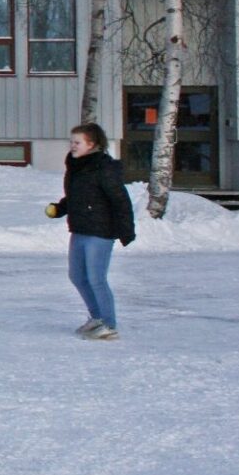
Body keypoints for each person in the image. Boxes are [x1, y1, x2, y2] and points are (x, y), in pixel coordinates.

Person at [49, 122, 136, 340]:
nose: (73, 146)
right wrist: (60, 208)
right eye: (71, 142)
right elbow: (77, 197)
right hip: (79, 228)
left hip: (100, 231)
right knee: (77, 276)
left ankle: (108, 323)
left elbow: (120, 200)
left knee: (96, 278)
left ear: (92, 144)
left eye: (77, 142)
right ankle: (97, 317)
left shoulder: (103, 168)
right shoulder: (76, 167)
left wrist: (126, 230)